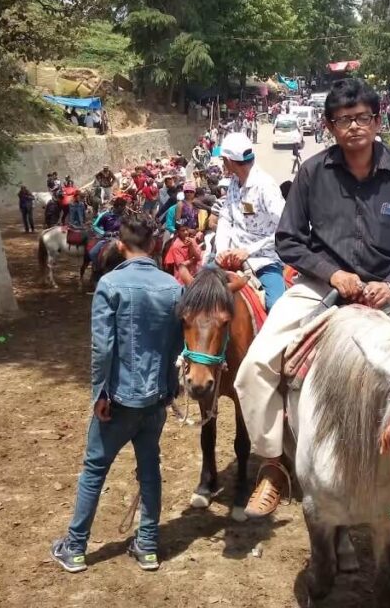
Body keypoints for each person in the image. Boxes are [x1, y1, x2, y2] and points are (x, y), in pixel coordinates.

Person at [237, 78, 390, 518]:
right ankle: (273, 464)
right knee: (254, 367)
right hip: (320, 289)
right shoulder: (312, 172)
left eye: (363, 117)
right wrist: (333, 273)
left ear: (377, 120)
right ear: (329, 126)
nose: (354, 127)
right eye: (344, 120)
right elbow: (289, 241)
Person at [50, 216, 183, 574]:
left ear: (121, 246)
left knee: (95, 468)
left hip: (119, 398)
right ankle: (149, 546)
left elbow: (102, 348)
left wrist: (100, 393)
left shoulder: (110, 284)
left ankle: (75, 548)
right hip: (155, 399)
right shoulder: (173, 288)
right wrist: (168, 389)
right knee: (149, 468)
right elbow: (176, 346)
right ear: (154, 246)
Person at [214, 132, 286, 309]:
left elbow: (286, 227)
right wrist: (222, 250)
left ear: (229, 161)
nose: (223, 163)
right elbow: (225, 217)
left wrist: (248, 250)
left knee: (276, 305)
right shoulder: (234, 182)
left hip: (264, 260)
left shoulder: (265, 186)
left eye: (223, 159)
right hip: (232, 257)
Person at [89, 197, 127, 264]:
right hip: (106, 239)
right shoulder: (105, 215)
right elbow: (94, 226)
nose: (125, 208)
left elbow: (127, 228)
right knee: (92, 253)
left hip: (120, 240)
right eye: (124, 207)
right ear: (119, 206)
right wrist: (104, 233)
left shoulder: (124, 216)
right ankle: (96, 267)